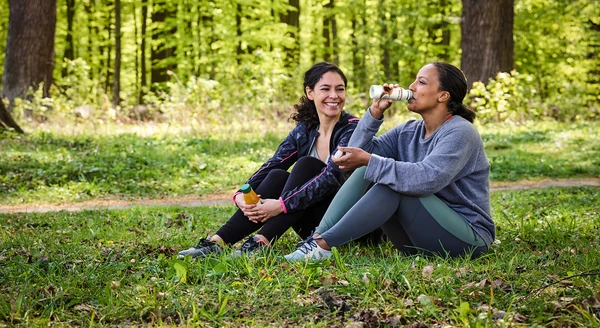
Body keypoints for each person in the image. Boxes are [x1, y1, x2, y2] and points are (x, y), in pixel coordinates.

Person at [285, 62, 495, 261]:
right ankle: (317, 240)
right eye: (414, 80)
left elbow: (428, 178)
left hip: (467, 239)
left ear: (443, 95)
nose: (411, 87)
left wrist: (370, 160)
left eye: (421, 82)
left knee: (390, 184)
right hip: (415, 238)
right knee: (367, 169)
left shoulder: (460, 131)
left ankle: (323, 245)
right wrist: (374, 113)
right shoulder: (408, 131)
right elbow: (353, 154)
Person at [178, 62, 359, 259]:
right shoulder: (306, 129)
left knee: (307, 165)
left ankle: (262, 241)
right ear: (310, 92)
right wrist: (242, 193)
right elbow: (275, 162)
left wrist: (281, 205)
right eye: (326, 89)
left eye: (339, 89)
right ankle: (219, 242)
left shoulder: (352, 129)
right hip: (310, 222)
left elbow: (330, 178)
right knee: (277, 175)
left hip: (343, 222)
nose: (334, 95)